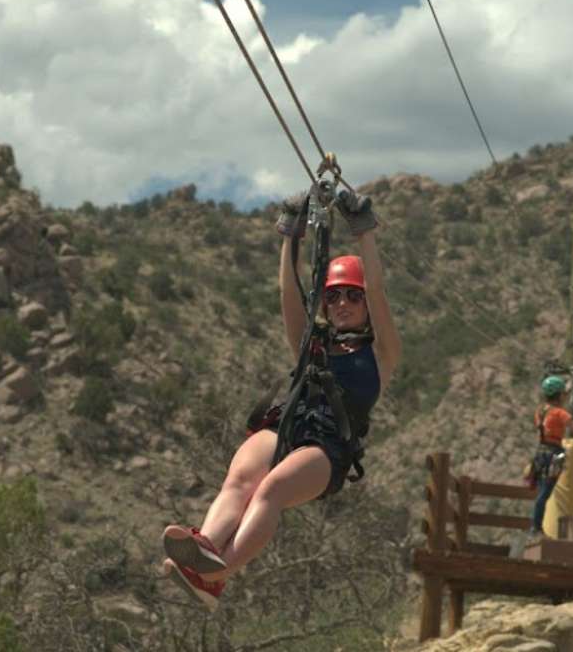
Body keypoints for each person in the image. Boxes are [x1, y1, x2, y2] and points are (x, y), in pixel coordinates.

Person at [159, 189, 402, 611]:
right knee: (240, 478)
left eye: (352, 295)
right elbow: (289, 295)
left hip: (327, 448)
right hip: (288, 426)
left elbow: (378, 290)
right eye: (333, 296)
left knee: (271, 488)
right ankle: (206, 549)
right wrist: (290, 234)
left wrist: (364, 233)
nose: (342, 303)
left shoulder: (381, 354)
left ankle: (218, 575)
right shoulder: (311, 343)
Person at [525, 375, 573, 537]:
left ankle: (536, 526)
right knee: (545, 493)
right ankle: (536, 528)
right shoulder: (560, 414)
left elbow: (560, 399)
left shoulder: (541, 411)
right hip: (553, 455)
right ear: (559, 395)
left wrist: (569, 387)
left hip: (540, 453)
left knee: (542, 491)